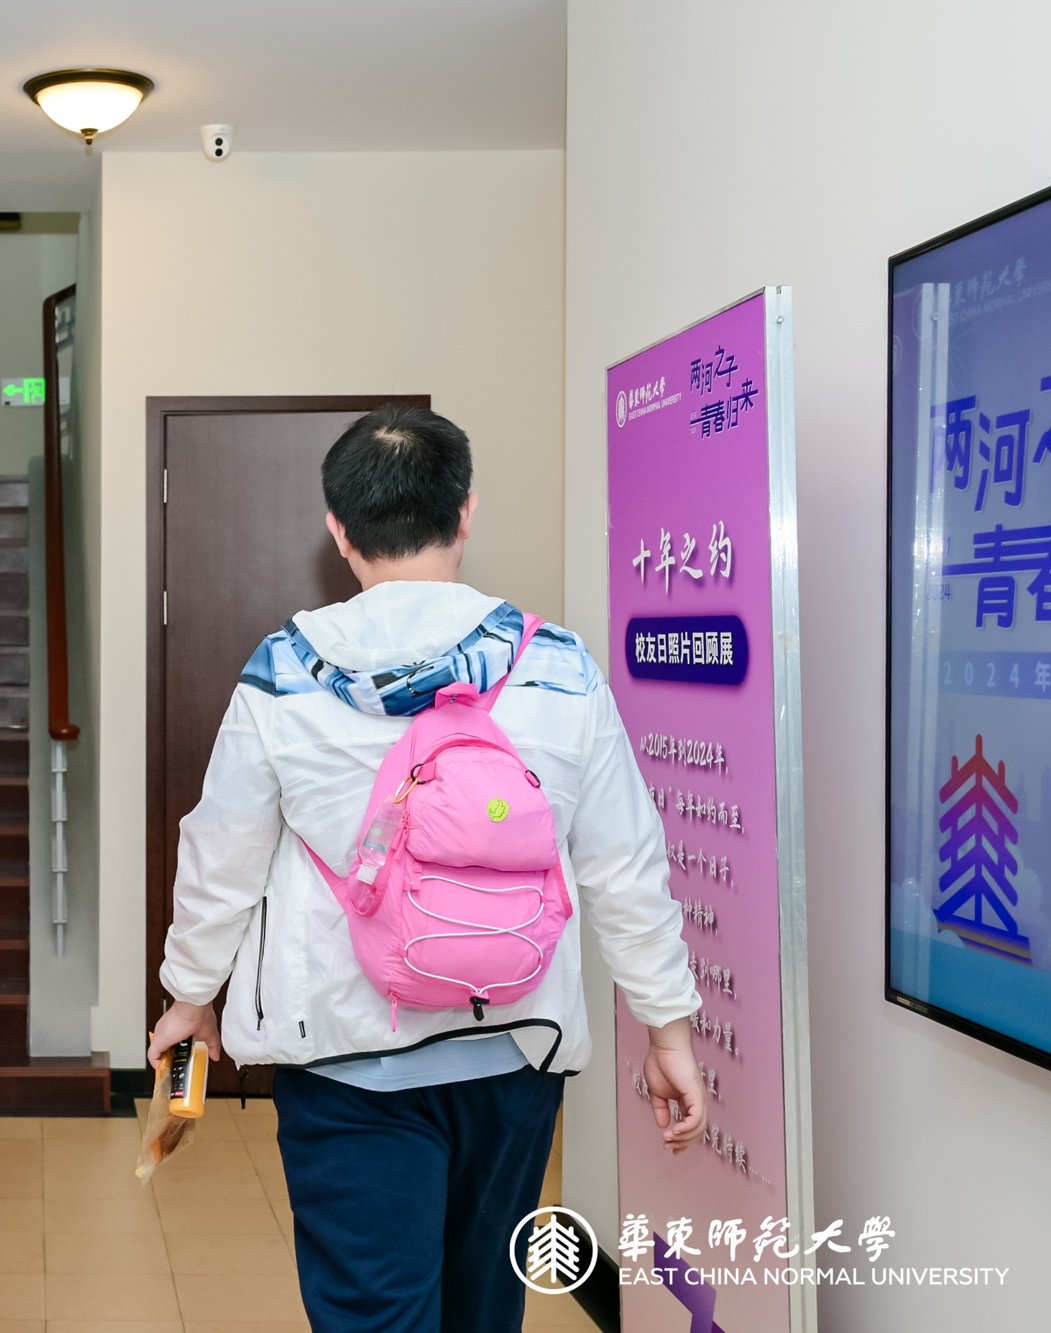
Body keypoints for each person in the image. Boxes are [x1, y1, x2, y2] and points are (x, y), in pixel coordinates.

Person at [146, 404, 707, 1333]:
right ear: (466, 512)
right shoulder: (559, 668)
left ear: (338, 529)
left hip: (344, 1059)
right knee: (485, 1308)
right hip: (515, 1053)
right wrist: (669, 1027)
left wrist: (190, 994)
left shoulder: (284, 674)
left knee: (375, 1313)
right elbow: (626, 866)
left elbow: (221, 858)